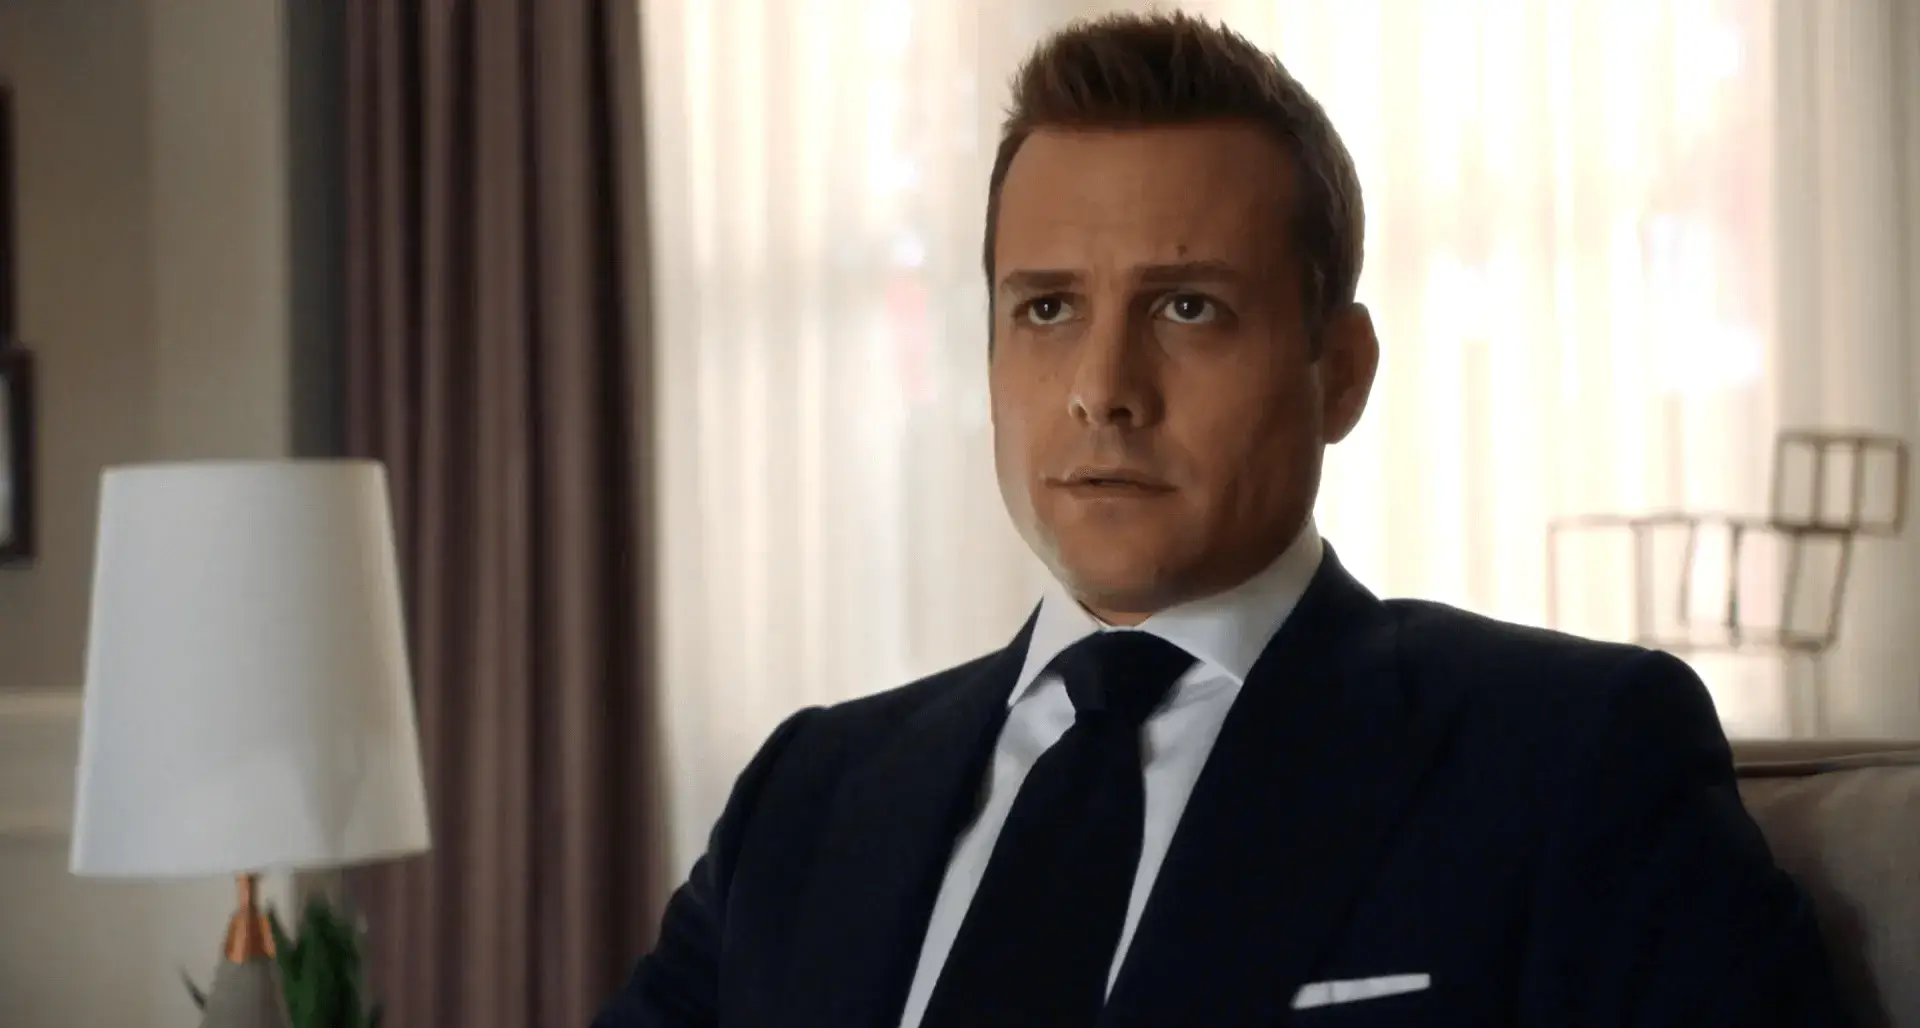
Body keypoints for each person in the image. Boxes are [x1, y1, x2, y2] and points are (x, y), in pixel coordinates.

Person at [596, 12, 1848, 1028]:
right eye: (1046, 309)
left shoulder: (1569, 759)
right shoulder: (808, 796)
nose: (1103, 389)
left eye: (1186, 307)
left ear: (1340, 372)